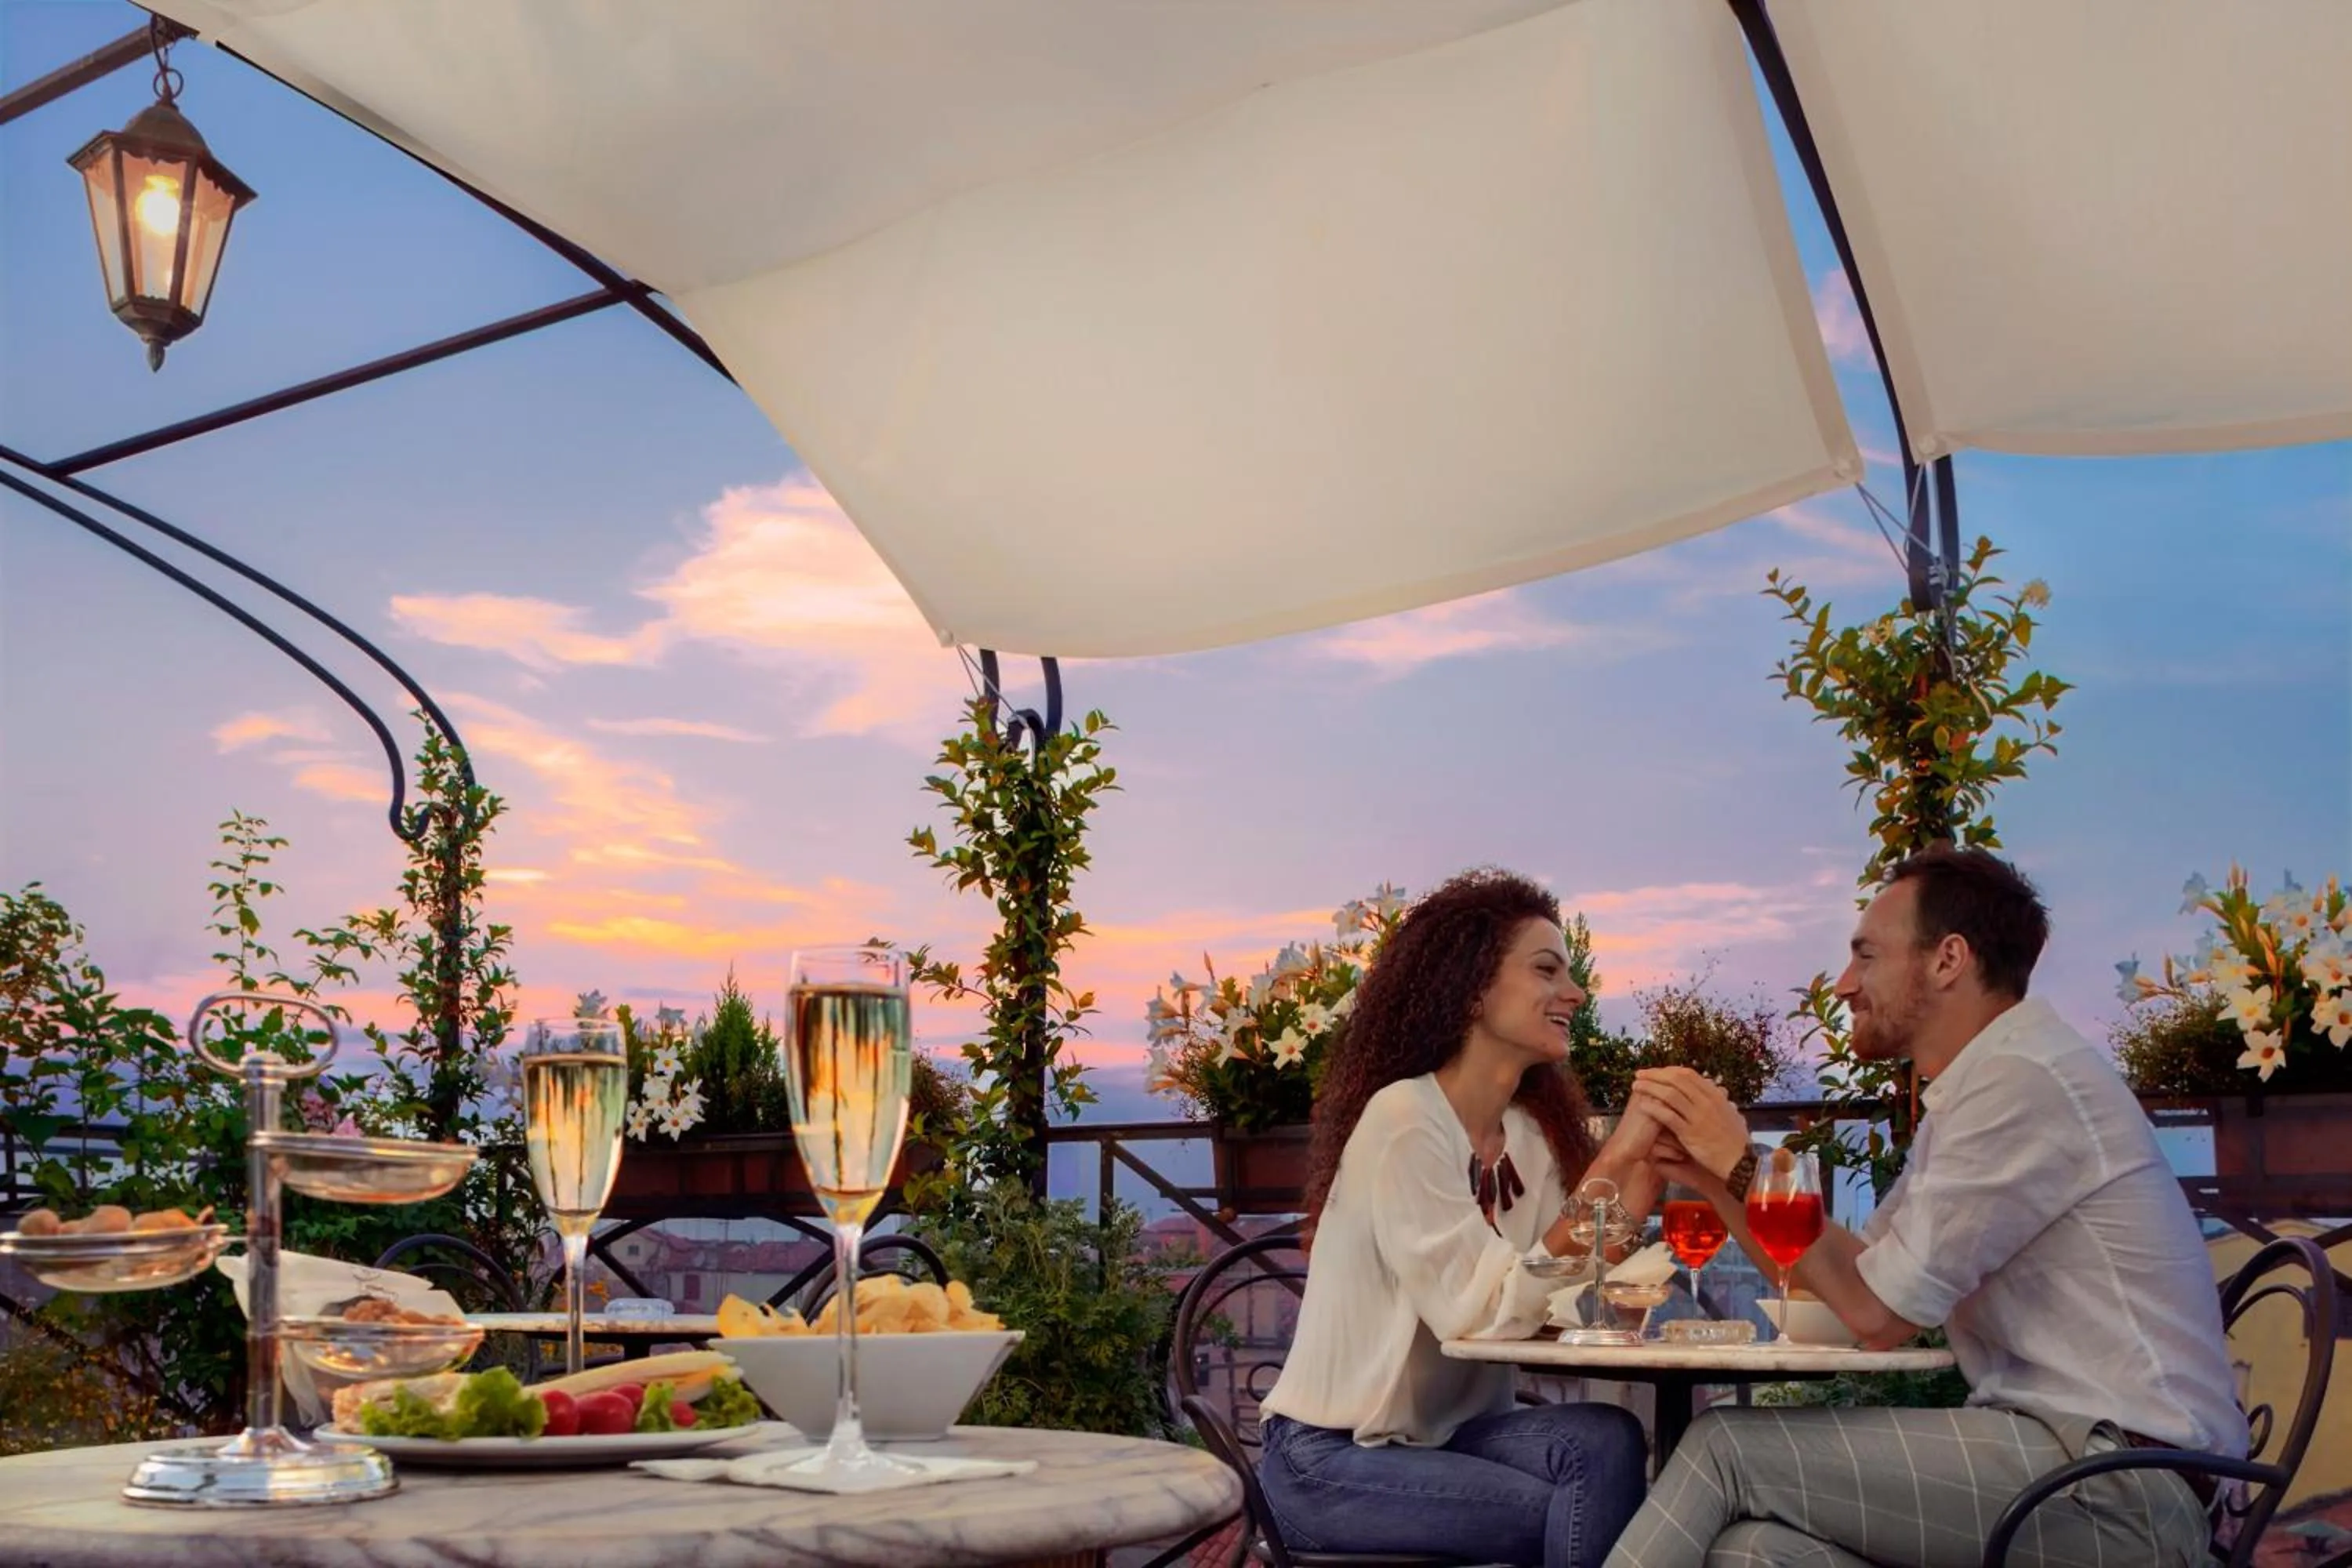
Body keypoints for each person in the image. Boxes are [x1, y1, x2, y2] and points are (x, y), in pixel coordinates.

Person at [1606, 846, 2242, 1568]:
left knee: (1725, 1446)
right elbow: (1849, 1282)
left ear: (1948, 960)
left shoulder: (2023, 1082)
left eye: (1866, 955)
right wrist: (1718, 1183)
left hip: (2122, 1486)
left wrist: (1744, 1161)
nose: (1844, 984)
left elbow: (1876, 1316)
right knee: (1753, 1555)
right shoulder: (1976, 1091)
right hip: (2067, 1461)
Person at [1255, 868, 1655, 1568]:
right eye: (1546, 970)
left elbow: (1560, 1286)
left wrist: (1652, 1165)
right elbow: (1478, 1314)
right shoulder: (1405, 1121)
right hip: (1329, 1457)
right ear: (1472, 987)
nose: (1575, 991)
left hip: (1451, 1435)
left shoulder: (1526, 1135)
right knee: (1574, 1510)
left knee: (1608, 1438)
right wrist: (1615, 1151)